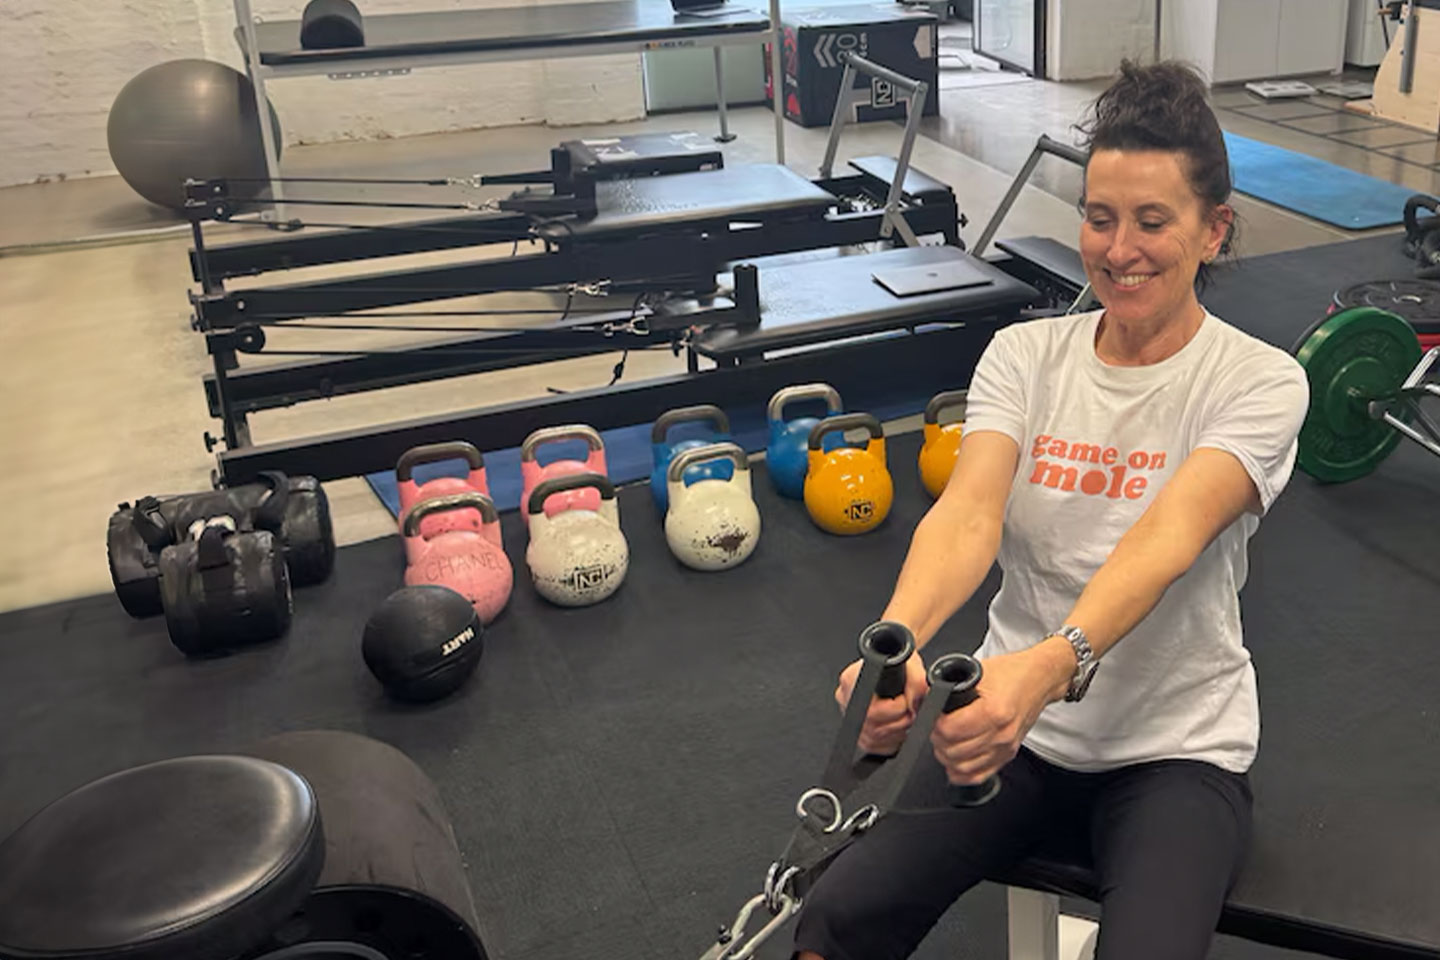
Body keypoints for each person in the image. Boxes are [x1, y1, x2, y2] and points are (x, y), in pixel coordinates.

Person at [792, 60, 1311, 960]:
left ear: (1213, 231)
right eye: (1100, 217)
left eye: (1153, 221)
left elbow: (1168, 536)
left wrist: (1049, 667)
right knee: (834, 920)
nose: (1119, 249)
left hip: (1174, 751)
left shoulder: (1260, 381)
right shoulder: (1024, 355)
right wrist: (898, 647)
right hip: (1003, 730)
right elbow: (967, 515)